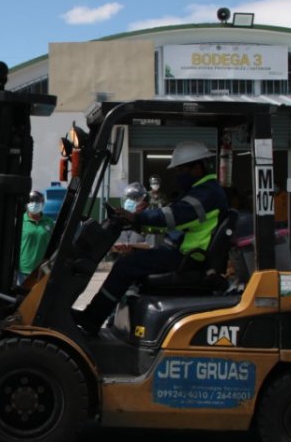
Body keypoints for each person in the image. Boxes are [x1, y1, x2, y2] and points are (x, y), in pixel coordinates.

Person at [73, 141, 227, 336]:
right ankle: (108, 319)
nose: (178, 175)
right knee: (127, 262)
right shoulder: (203, 190)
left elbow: (174, 216)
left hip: (188, 257)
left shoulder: (206, 193)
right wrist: (136, 222)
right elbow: (172, 220)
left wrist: (138, 218)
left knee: (124, 267)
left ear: (197, 167)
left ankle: (92, 319)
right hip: (181, 253)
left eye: (181, 170)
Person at [17, 191, 55, 285]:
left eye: (38, 202)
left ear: (42, 204)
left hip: (43, 269)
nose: (34, 204)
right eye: (31, 201)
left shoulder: (49, 222)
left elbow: (54, 243)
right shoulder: (20, 221)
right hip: (24, 270)